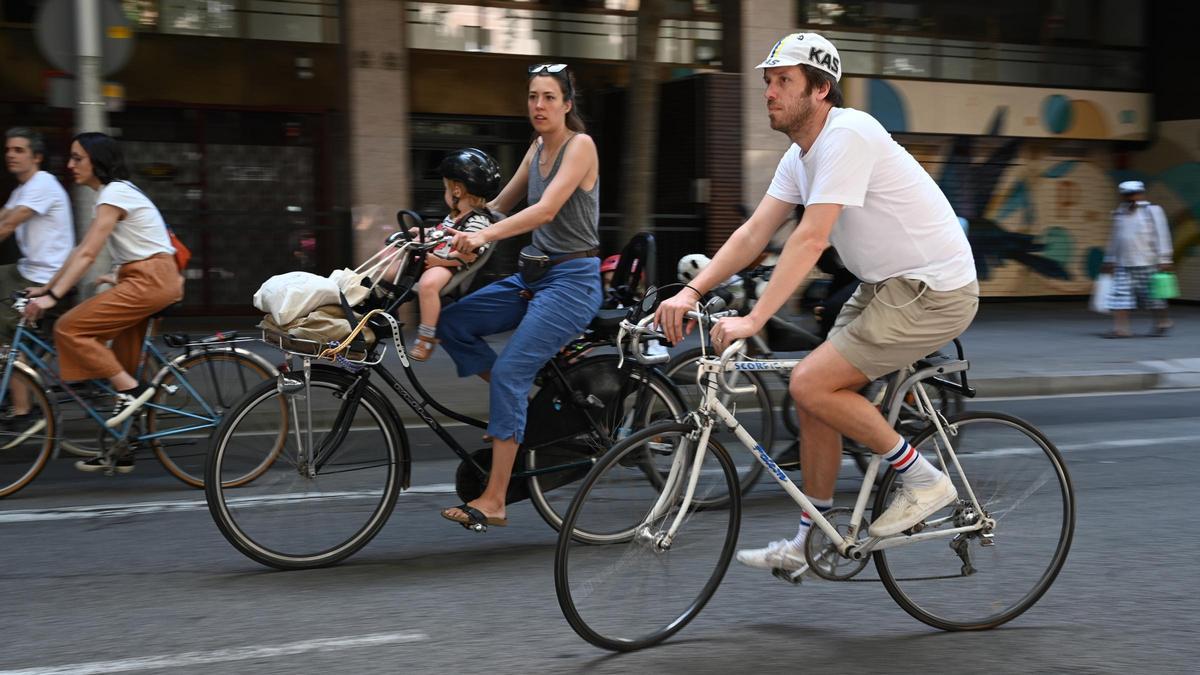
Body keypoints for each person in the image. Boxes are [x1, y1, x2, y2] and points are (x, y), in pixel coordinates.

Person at [655, 32, 979, 573]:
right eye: (768, 82)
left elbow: (811, 237)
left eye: (784, 81)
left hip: (934, 289)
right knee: (812, 395)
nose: (770, 92)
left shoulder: (847, 134)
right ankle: (812, 541)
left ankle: (923, 479)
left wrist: (756, 317)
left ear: (821, 89)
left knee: (809, 381)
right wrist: (693, 290)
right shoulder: (800, 156)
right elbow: (754, 232)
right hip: (884, 286)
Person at [437, 62, 602, 530]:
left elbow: (545, 211)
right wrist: (449, 225)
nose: (539, 105)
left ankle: (494, 500)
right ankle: (519, 408)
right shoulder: (536, 148)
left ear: (567, 104)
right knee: (453, 323)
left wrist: (483, 238)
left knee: (509, 372)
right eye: (533, 97)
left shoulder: (580, 147)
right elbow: (498, 207)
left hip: (572, 283)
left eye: (549, 97)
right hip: (534, 278)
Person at [22, 132, 183, 473]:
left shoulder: (114, 192)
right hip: (143, 278)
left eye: (77, 158)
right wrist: (46, 288)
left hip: (150, 281)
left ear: (97, 160)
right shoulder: (113, 194)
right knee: (120, 362)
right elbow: (81, 251)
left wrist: (52, 297)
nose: (70, 165)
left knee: (70, 328)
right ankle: (122, 448)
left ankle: (134, 391)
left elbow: (89, 252)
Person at [0, 127, 74, 430]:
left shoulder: (43, 183)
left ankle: (23, 410)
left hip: (47, 276)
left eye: (19, 150)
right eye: (8, 150)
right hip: (27, 268)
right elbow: (3, 218)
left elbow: (9, 226)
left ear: (37, 157)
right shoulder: (22, 189)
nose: (10, 155)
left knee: (4, 333)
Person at [409, 148, 502, 361]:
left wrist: (437, 260)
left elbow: (471, 253)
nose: (445, 194)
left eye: (445, 188)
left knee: (428, 285)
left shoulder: (478, 220)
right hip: (439, 256)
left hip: (450, 265)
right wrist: (422, 233)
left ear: (457, 191)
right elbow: (441, 231)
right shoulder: (455, 215)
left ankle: (426, 338)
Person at [1101, 180, 1173, 338]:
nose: (1131, 198)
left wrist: (1165, 258)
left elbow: (1162, 234)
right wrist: (1109, 259)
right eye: (1127, 195)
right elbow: (1115, 238)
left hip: (1148, 262)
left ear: (1141, 194)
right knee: (1120, 297)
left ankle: (1163, 321)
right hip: (1123, 264)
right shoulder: (1120, 212)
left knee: (1154, 297)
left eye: (1134, 194)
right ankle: (1122, 330)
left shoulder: (1152, 211)